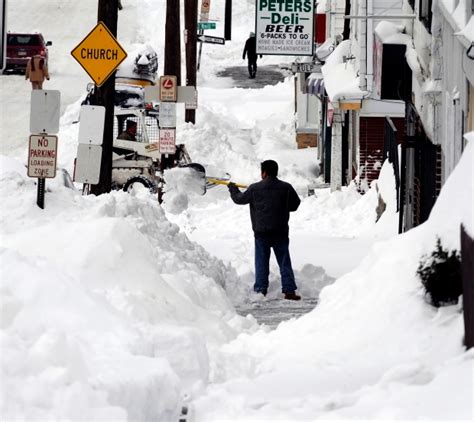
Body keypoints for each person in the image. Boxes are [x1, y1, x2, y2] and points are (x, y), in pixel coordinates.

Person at [228, 160, 302, 300]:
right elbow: (295, 204)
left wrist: (233, 189)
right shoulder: (286, 187)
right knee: (284, 260)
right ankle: (289, 290)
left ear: (264, 172)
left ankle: (261, 290)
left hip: (261, 232)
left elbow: (239, 199)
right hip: (280, 231)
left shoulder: (254, 188)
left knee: (261, 261)